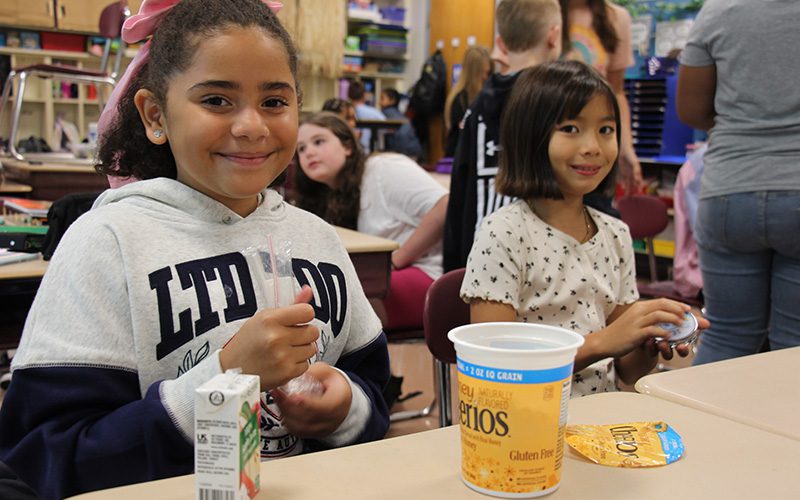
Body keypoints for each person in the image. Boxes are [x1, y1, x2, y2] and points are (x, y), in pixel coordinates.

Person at [0, 1, 391, 497]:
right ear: (155, 115)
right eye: (217, 101)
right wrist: (225, 380)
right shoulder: (107, 243)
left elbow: (376, 394)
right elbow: (47, 454)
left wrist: (344, 409)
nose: (252, 126)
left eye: (274, 101)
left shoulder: (319, 238)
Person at [461, 61, 708, 396]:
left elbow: (626, 369)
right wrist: (602, 342)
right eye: (571, 129)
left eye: (605, 130)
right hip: (527, 427)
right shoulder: (503, 233)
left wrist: (648, 339)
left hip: (600, 427)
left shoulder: (616, 234)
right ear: (530, 137)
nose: (593, 146)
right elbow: (497, 366)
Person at [676, 0, 800, 364]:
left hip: (730, 189)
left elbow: (691, 111)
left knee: (727, 334)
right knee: (794, 346)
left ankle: (699, 423)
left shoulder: (718, 11)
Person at [294, 112, 448, 332]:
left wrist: (395, 261)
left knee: (331, 303)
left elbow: (445, 205)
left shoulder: (382, 169)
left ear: (348, 146)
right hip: (379, 281)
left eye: (319, 141)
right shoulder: (328, 197)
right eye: (301, 148)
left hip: (429, 276)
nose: (309, 152)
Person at [443, 0, 563, 272]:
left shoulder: (476, 108)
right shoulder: (559, 100)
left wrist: (453, 270)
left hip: (479, 262)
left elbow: (459, 193)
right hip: (546, 264)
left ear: (502, 43)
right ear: (553, 36)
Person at [560, 0, 643, 198]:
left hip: (594, 143)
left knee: (592, 216)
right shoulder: (542, 10)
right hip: (549, 143)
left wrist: (626, 148)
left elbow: (616, 91)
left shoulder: (616, 18)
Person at [443, 45, 491, 158]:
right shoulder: (460, 99)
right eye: (483, 73)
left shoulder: (482, 95)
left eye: (488, 73)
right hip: (459, 157)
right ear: (474, 73)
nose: (486, 77)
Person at [377, 88, 424, 161]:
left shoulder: (384, 114)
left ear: (392, 101)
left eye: (382, 98)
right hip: (414, 151)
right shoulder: (401, 115)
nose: (379, 102)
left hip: (399, 154)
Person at [347, 80, 386, 153]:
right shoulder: (374, 113)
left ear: (348, 95)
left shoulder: (344, 112)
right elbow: (386, 128)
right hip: (370, 151)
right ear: (364, 95)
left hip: (350, 151)